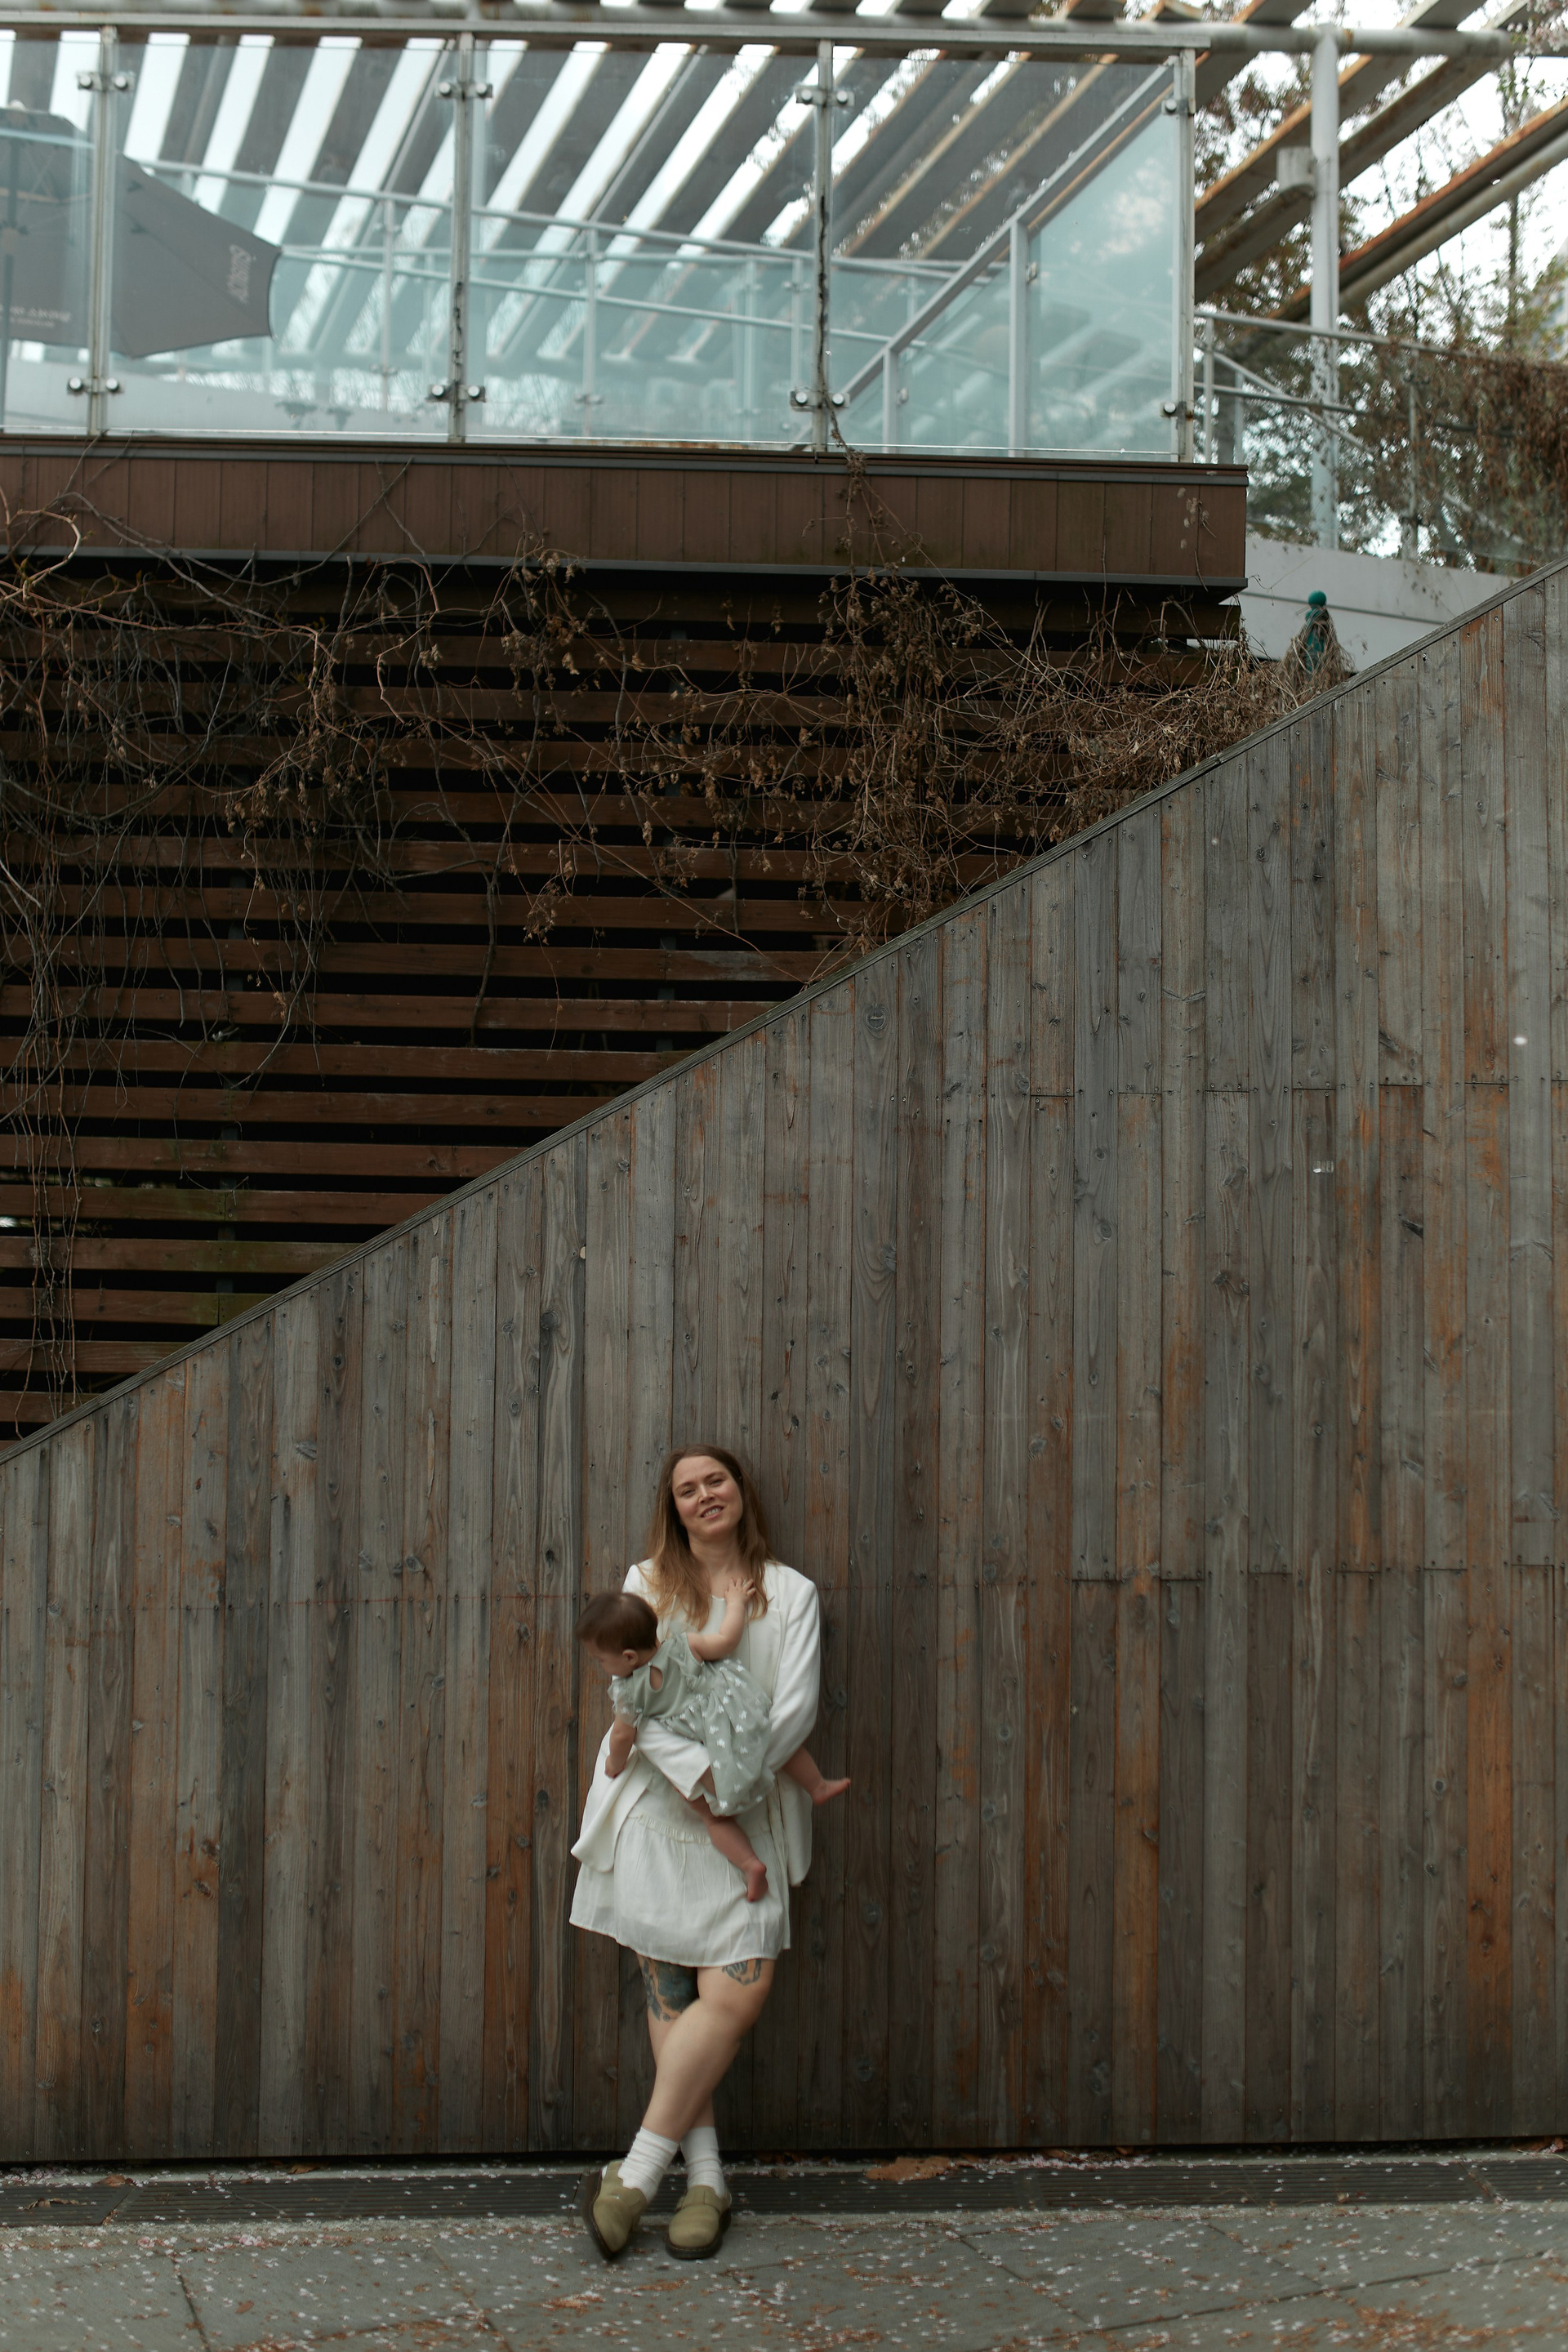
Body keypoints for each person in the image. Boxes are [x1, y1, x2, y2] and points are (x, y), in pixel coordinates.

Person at [569, 1444, 826, 2262]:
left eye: (716, 1480)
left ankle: (638, 2176)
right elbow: (635, 1706)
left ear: (741, 1490)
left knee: (737, 1995)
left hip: (748, 1815)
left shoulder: (791, 1593)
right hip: (660, 1815)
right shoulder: (648, 1583)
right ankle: (707, 2183)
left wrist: (730, 1786)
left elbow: (795, 1711)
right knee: (673, 1995)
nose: (704, 1495)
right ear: (673, 1507)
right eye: (687, 1489)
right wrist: (698, 1779)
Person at [577, 1587, 848, 1904]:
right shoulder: (685, 1645)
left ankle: (751, 1864)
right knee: (767, 1739)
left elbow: (623, 1736)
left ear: (629, 1657)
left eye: (600, 1660)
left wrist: (614, 1764)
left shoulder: (628, 1692)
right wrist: (736, 1604)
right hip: (730, 1720)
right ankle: (817, 1785)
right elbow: (727, 1640)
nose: (600, 1665)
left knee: (712, 1818)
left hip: (704, 1750)